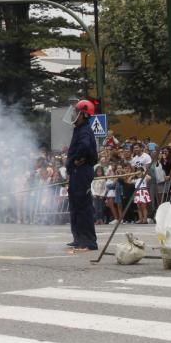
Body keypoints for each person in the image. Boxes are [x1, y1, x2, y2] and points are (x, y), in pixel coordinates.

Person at [64, 99, 98, 252]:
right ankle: (78, 238)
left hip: (82, 172)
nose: (73, 114)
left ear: (84, 114)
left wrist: (78, 158)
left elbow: (85, 146)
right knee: (75, 206)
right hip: (76, 172)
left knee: (83, 206)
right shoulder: (78, 129)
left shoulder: (85, 130)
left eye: (76, 112)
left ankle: (89, 241)